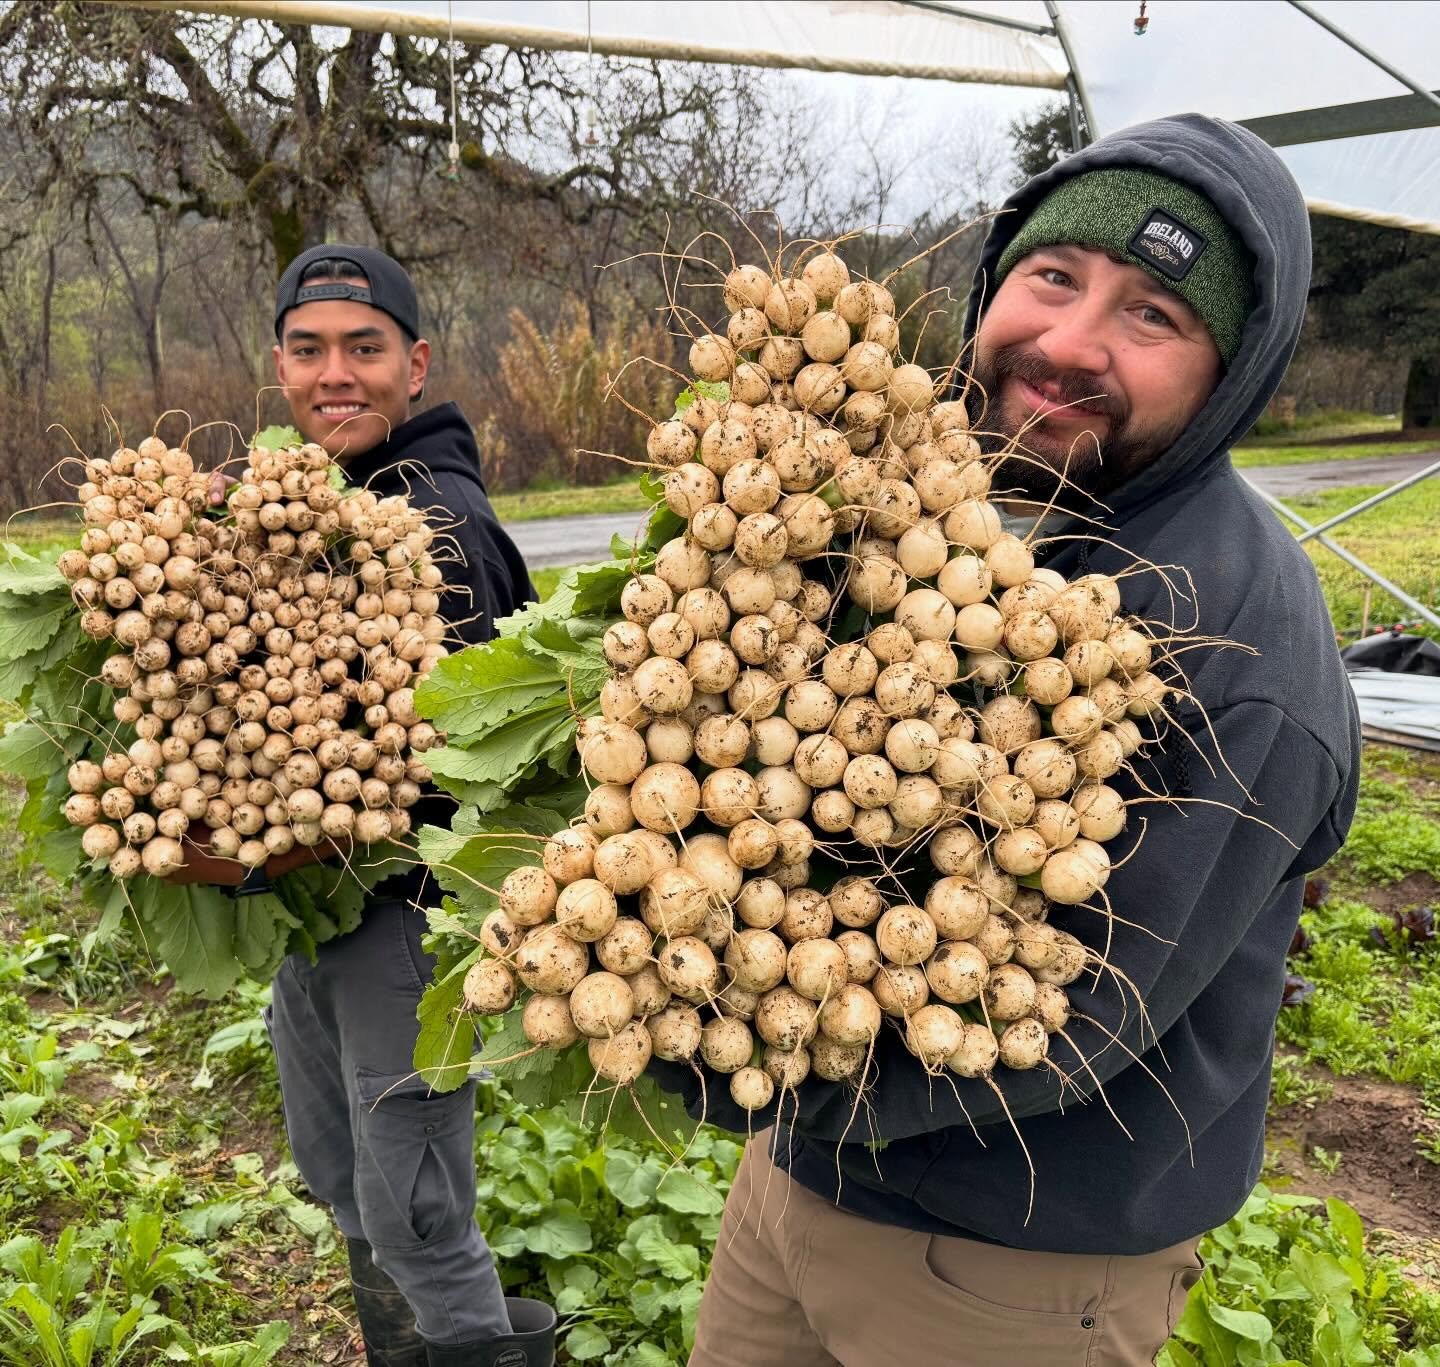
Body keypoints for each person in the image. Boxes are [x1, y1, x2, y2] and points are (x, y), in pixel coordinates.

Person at [669, 115, 1362, 1366]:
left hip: (1014, 1274)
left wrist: (731, 1054)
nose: (1070, 343)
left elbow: (1073, 1012)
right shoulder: (942, 497)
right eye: (1053, 277)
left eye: (1153, 313)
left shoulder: (1244, 644)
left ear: (1234, 369)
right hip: (801, 1182)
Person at [176, 244, 549, 1367]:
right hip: (316, 909)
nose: (335, 373)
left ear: (416, 365)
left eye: (364, 348)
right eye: (309, 349)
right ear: (280, 365)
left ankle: (473, 1340)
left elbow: (453, 777)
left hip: (407, 920)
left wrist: (252, 856)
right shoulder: (325, 501)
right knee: (341, 1173)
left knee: (418, 1210)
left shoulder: (437, 523)